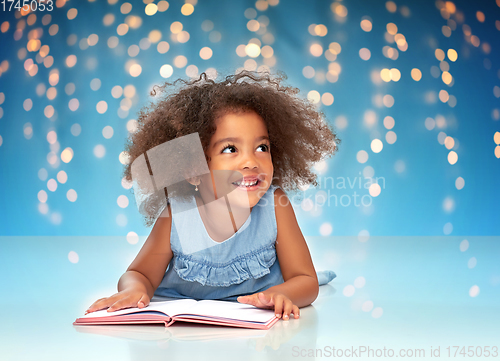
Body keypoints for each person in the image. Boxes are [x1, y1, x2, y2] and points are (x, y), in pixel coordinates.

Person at [86, 71, 340, 321]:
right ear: (193, 170)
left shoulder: (275, 206)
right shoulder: (178, 214)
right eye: (230, 149)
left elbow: (306, 281)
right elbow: (139, 273)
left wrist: (281, 293)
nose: (251, 161)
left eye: (262, 147)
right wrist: (135, 289)